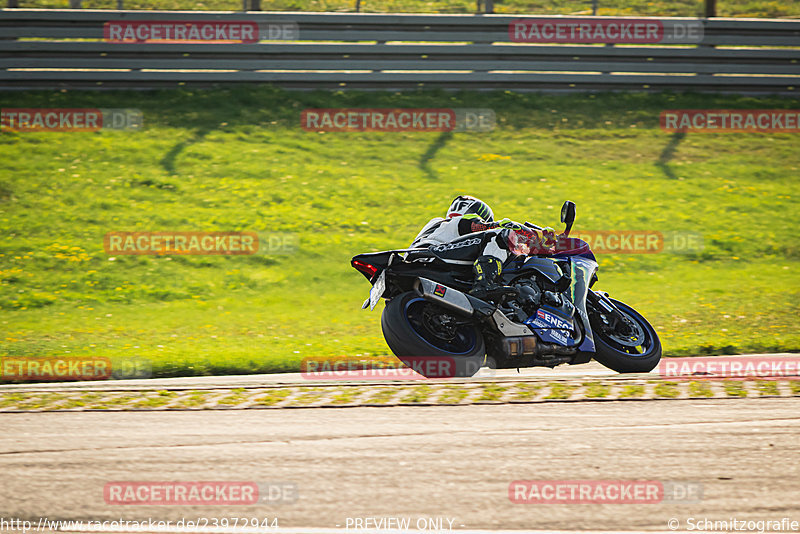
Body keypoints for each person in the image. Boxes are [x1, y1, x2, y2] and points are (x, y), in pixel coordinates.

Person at [409, 195, 555, 300]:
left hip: (418, 258)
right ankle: (485, 284)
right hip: (434, 256)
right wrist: (521, 230)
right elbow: (480, 227)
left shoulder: (437, 227)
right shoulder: (456, 222)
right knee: (500, 235)